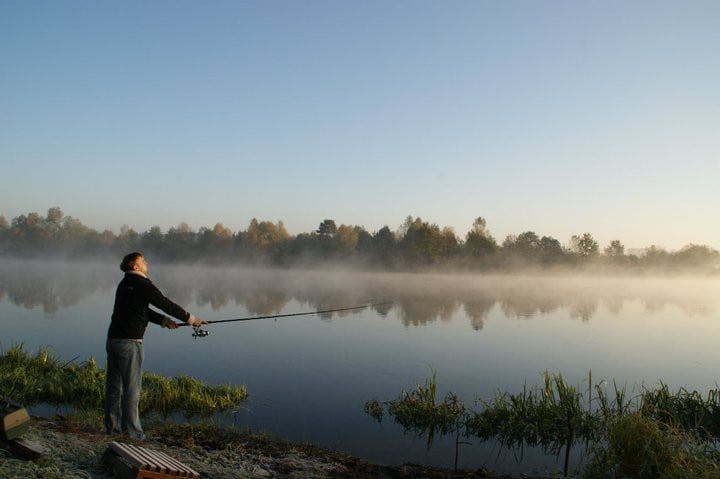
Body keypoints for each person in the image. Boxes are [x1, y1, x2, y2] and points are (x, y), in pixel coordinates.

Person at [104, 252, 206, 440]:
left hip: (113, 340)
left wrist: (163, 321)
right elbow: (165, 303)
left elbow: (140, 310)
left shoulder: (125, 283)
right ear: (134, 266)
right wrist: (192, 319)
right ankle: (134, 434)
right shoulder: (143, 284)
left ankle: (112, 429)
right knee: (132, 389)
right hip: (130, 342)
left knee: (114, 387)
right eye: (142, 261)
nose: (146, 262)